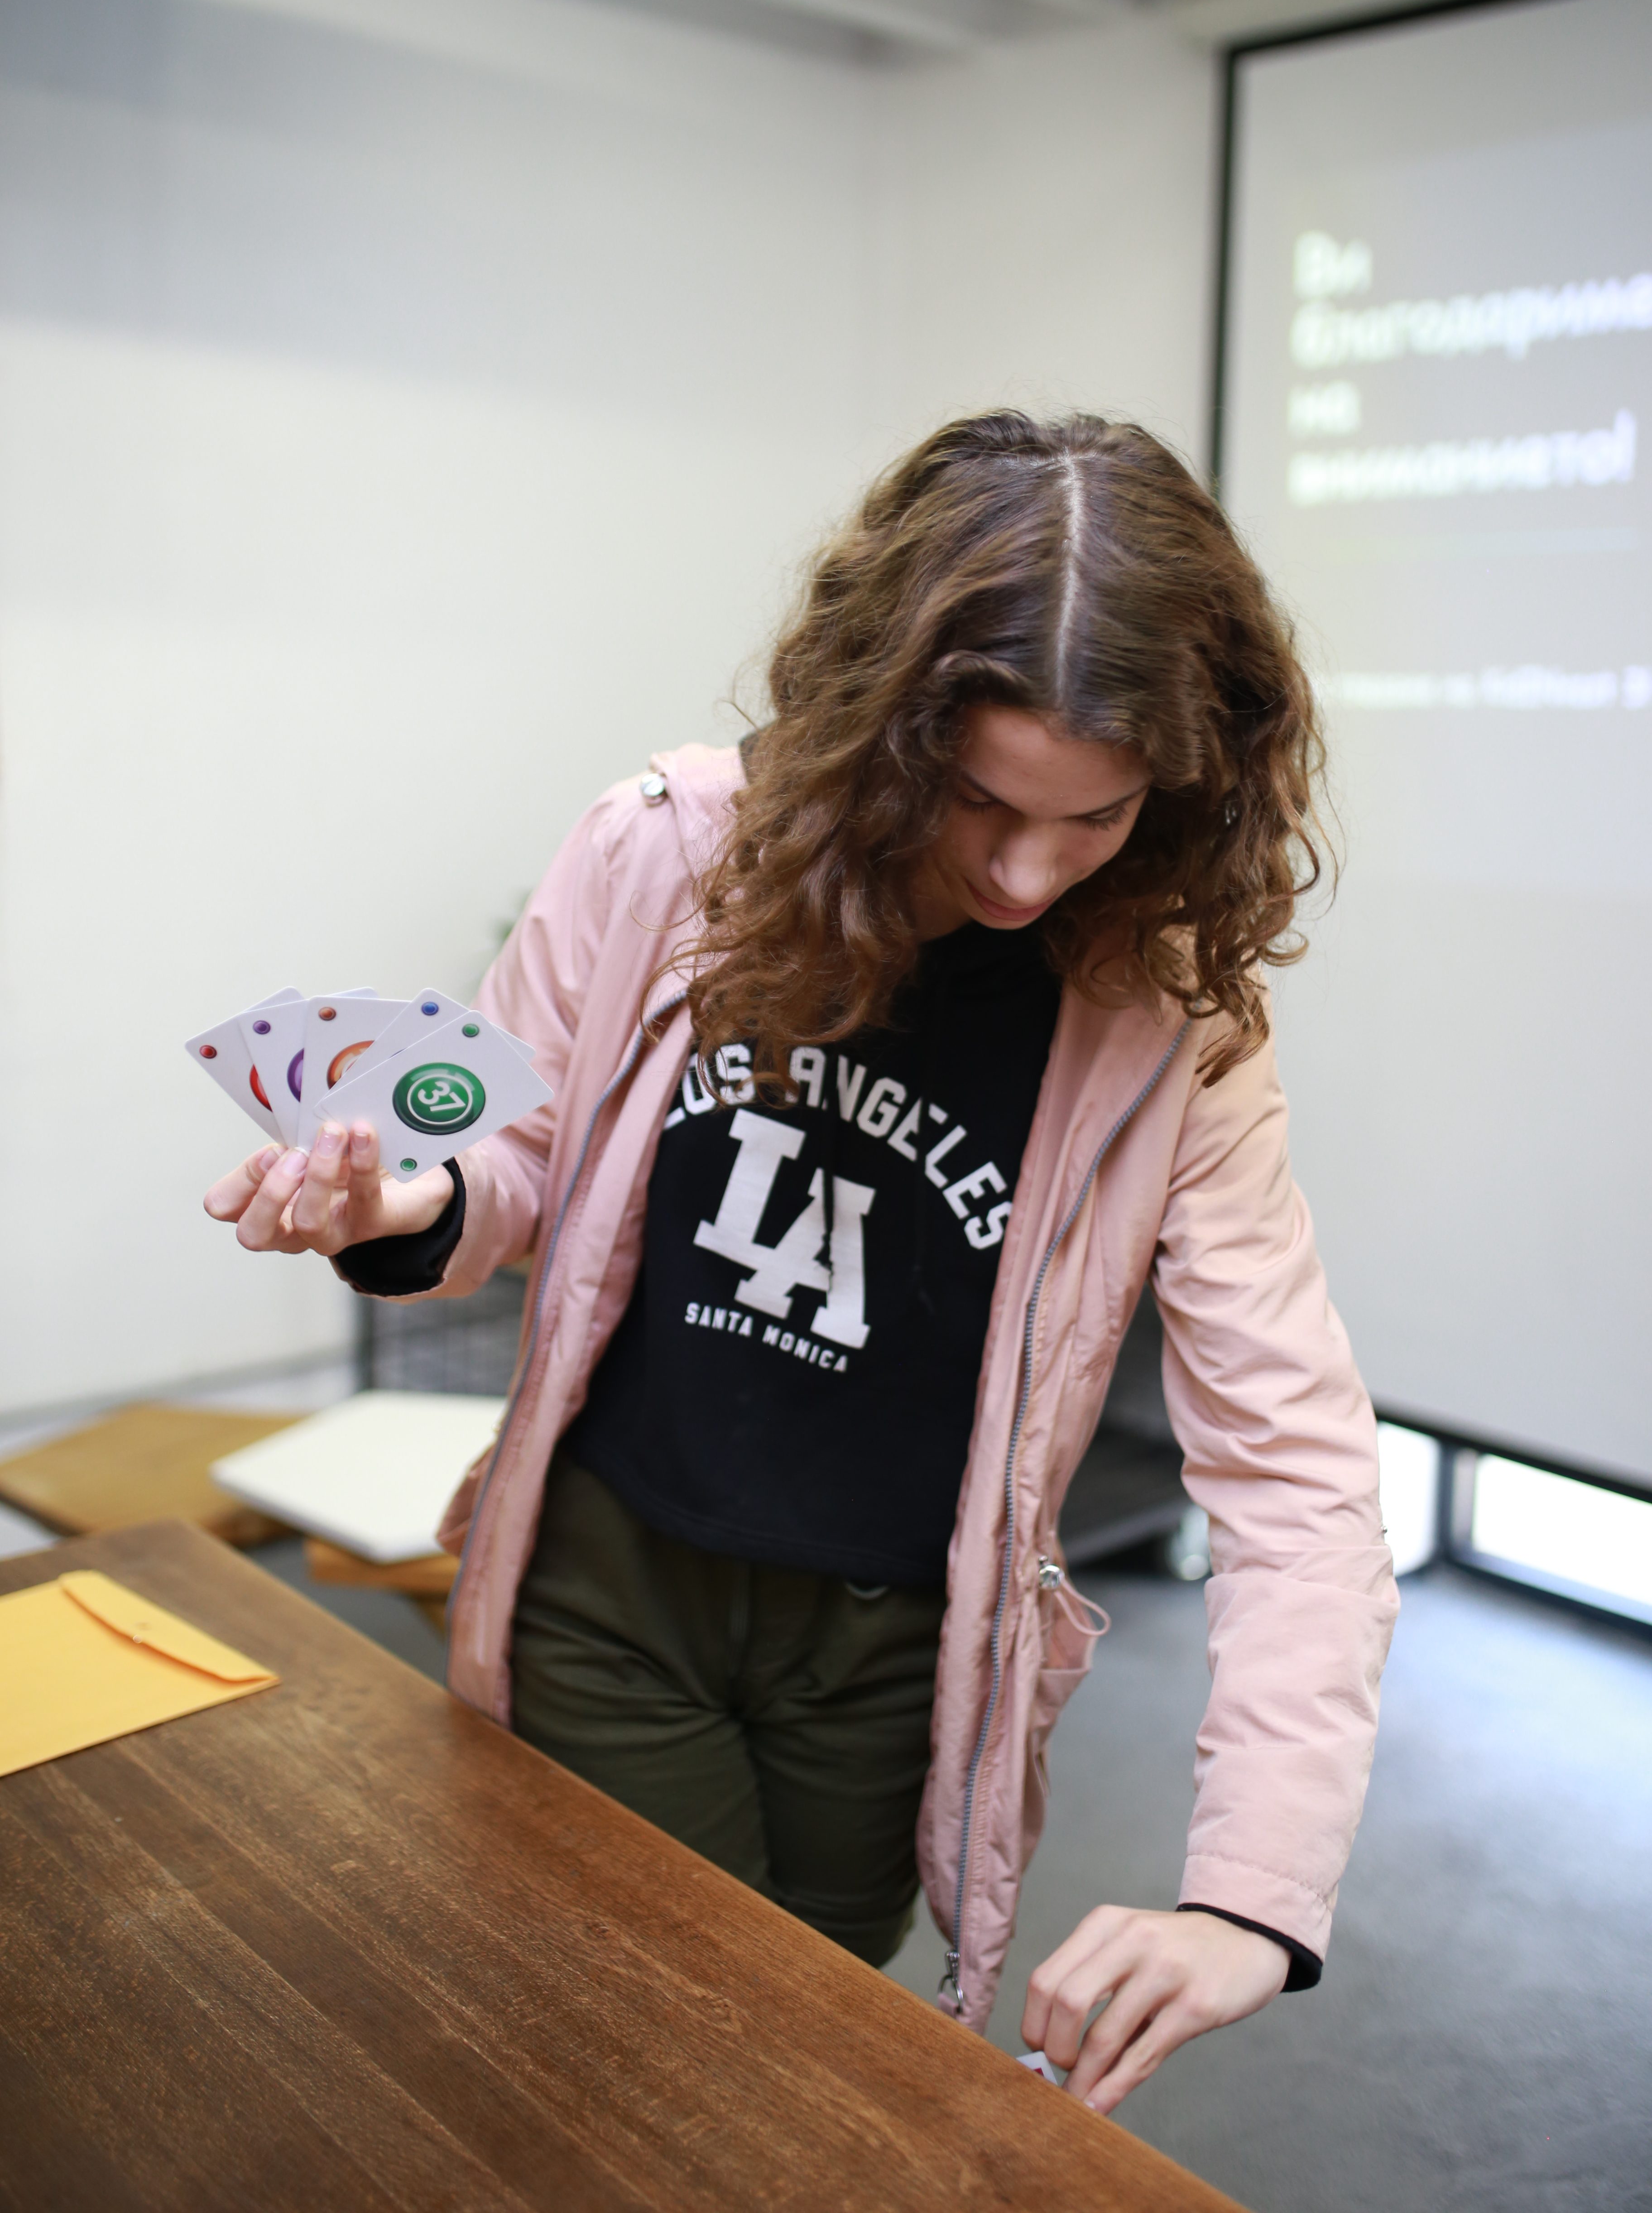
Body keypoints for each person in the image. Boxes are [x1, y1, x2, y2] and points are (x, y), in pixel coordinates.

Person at [206, 411, 1397, 2113]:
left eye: (1098, 816)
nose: (1026, 871)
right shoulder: (672, 849)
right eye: (979, 801)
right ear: (882, 723)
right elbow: (522, 1157)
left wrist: (1251, 1895)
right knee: (654, 2059)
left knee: (786, 2079)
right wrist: (404, 1214)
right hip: (616, 1586)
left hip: (892, 1663)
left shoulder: (1170, 1018)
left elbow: (1293, 1464)